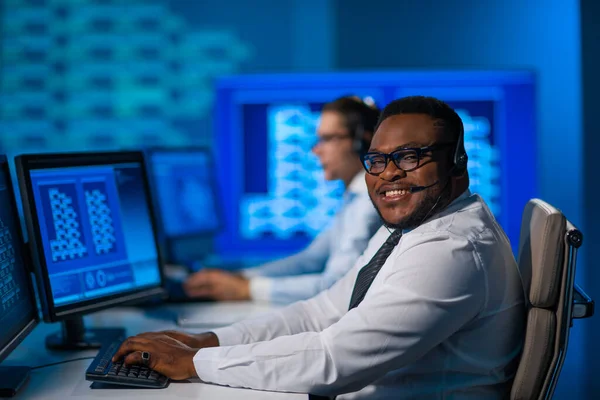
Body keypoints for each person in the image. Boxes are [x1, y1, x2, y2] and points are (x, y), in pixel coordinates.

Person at [113, 96, 526, 399]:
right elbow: (322, 310)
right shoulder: (410, 226)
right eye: (377, 160)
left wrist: (192, 363)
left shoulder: (450, 249)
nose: (389, 174)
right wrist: (210, 342)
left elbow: (335, 360)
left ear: (458, 162)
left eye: (410, 157)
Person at [183, 96, 382, 304]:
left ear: (363, 143)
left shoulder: (368, 205)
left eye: (327, 138)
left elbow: (335, 286)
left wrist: (247, 289)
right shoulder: (354, 198)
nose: (316, 150)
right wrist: (242, 278)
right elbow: (310, 259)